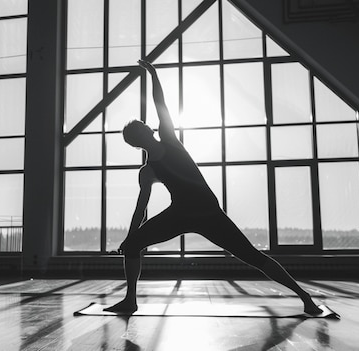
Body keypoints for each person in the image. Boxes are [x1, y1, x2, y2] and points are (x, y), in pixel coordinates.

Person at [104, 59, 323, 315]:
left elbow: (160, 103)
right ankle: (130, 300)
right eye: (141, 128)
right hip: (182, 213)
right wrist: (132, 236)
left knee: (252, 256)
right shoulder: (148, 170)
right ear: (138, 140)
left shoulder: (170, 140)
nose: (147, 126)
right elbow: (141, 208)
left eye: (143, 125)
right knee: (132, 246)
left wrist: (153, 74)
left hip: (208, 212)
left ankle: (304, 297)